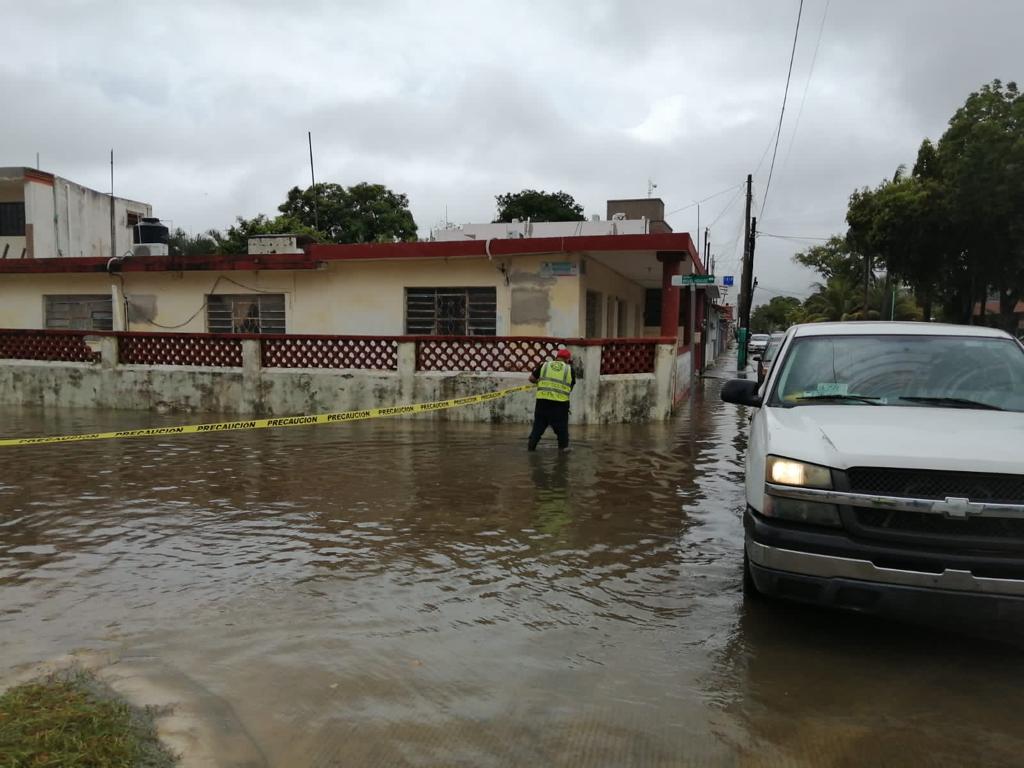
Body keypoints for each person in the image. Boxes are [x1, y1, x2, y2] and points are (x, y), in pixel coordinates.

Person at [527, 348, 575, 452]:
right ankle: (562, 453)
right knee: (562, 431)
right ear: (567, 359)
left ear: (556, 357)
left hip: (542, 403)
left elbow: (531, 378)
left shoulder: (544, 365)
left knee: (537, 428)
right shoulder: (569, 369)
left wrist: (539, 382)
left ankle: (531, 449)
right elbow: (570, 388)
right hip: (560, 405)